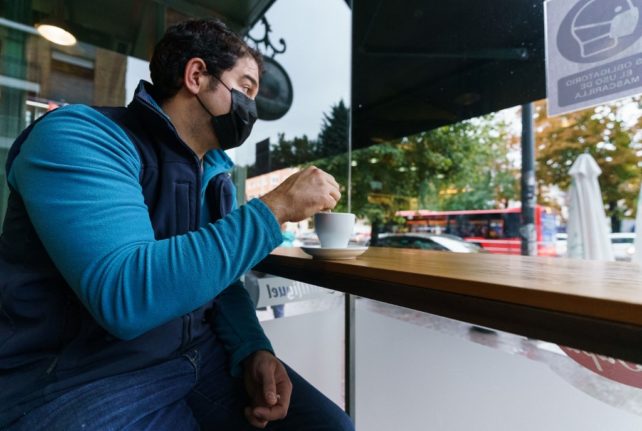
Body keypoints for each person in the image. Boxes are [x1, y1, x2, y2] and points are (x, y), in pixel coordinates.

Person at [0, 18, 354, 431]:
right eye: (246, 88)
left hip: (194, 360)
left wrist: (253, 348)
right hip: (82, 381)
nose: (252, 109)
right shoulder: (81, 136)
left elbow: (221, 285)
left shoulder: (214, 177)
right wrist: (275, 207)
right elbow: (125, 295)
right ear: (197, 75)